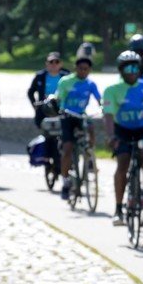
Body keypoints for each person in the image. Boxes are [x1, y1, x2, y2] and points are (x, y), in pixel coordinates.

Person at [102, 50, 143, 224]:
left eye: (135, 67)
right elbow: (108, 116)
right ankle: (118, 208)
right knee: (122, 164)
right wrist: (110, 136)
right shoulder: (112, 90)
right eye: (127, 68)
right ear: (121, 71)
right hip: (122, 129)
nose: (132, 71)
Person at [54, 55, 103, 200]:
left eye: (86, 69)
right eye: (80, 69)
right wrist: (57, 102)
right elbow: (59, 96)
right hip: (68, 115)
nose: (83, 72)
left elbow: (99, 99)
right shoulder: (66, 81)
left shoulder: (90, 84)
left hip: (81, 115)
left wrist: (104, 107)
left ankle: (89, 156)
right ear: (75, 68)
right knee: (68, 148)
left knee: (91, 129)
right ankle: (65, 181)